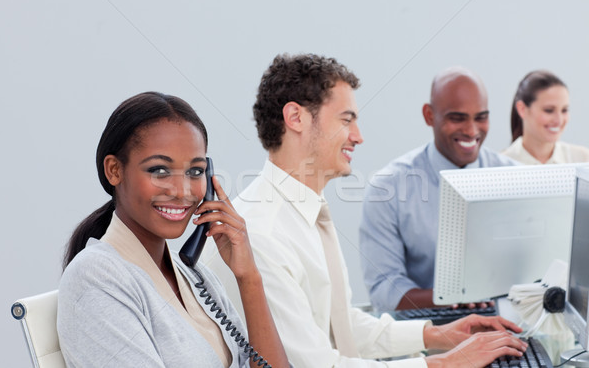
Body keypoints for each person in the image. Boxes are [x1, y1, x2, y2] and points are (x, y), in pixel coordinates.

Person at [205, 55, 526, 368]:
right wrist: (444, 364)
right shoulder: (263, 234)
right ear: (296, 118)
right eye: (346, 120)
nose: (359, 136)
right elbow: (318, 365)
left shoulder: (303, 212)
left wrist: (436, 334)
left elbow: (339, 325)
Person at [57, 92, 290, 368]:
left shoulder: (197, 279)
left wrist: (249, 278)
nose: (182, 192)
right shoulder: (96, 277)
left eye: (195, 172)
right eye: (159, 170)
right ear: (114, 170)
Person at [359, 67, 518, 312]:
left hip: (509, 328)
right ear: (429, 115)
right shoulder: (388, 188)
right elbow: (385, 290)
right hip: (425, 335)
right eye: (457, 118)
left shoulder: (516, 178)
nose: (472, 130)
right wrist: (453, 298)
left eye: (481, 117)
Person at [502, 70, 589, 164]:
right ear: (522, 109)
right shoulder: (501, 164)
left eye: (564, 110)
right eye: (549, 110)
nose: (558, 120)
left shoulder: (582, 159)